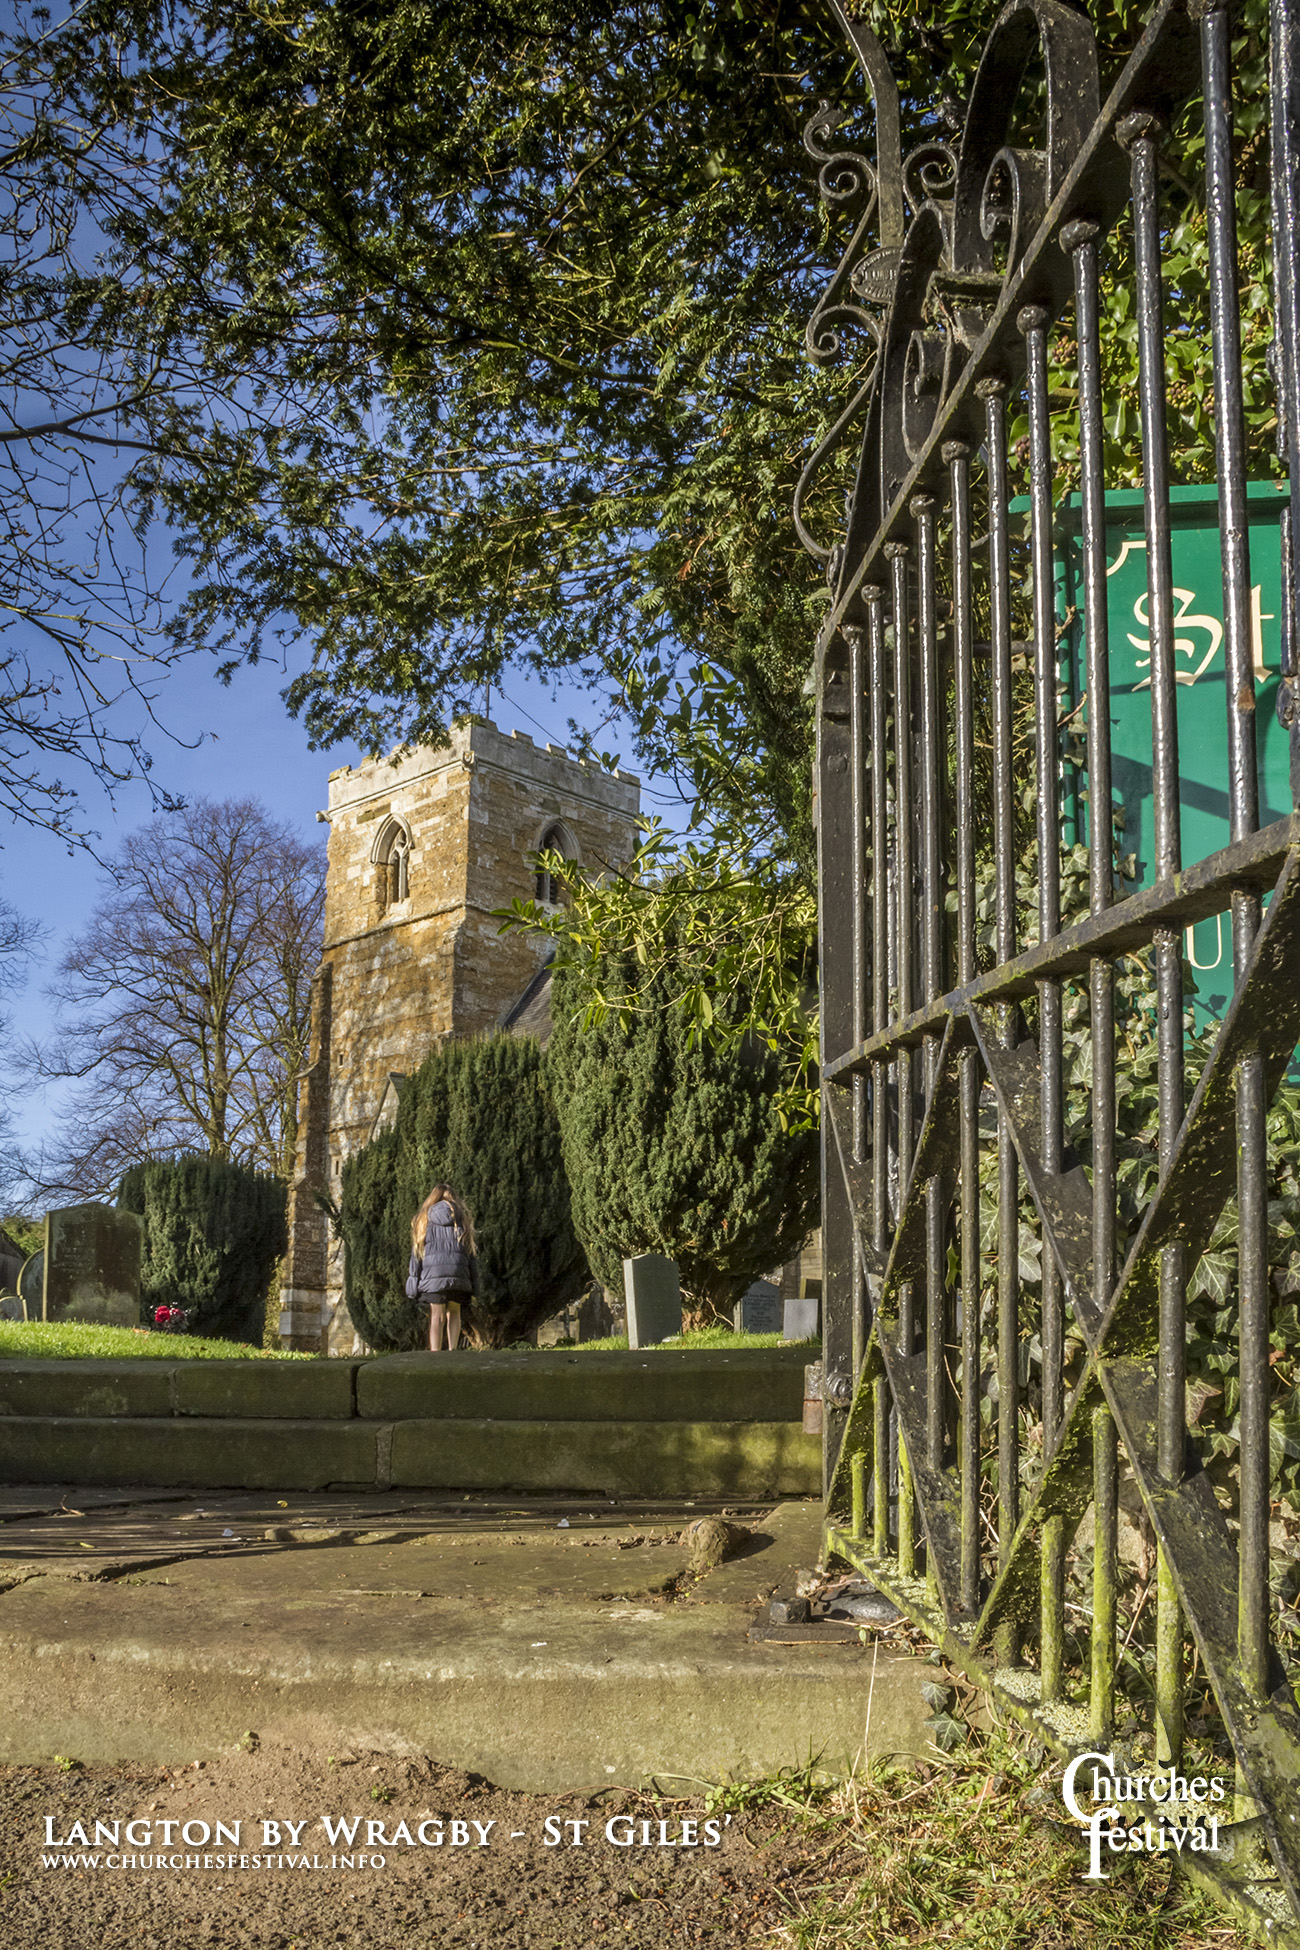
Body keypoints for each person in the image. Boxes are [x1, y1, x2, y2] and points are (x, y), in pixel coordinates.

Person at [406, 1185, 479, 1351]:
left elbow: (416, 1256)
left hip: (433, 1275)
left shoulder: (424, 1219)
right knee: (454, 1312)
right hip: (458, 1273)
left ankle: (435, 1354)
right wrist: (475, 1285)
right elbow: (471, 1255)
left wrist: (412, 1286)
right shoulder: (462, 1219)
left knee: (437, 1316)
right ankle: (453, 1351)